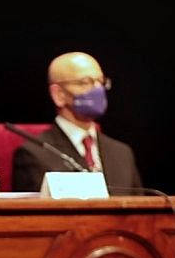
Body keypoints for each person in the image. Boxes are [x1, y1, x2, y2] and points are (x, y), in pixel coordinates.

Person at [11, 51, 142, 194]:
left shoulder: (122, 153)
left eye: (101, 82)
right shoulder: (34, 154)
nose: (97, 89)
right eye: (85, 82)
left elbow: (141, 212)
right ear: (58, 94)